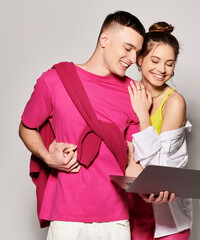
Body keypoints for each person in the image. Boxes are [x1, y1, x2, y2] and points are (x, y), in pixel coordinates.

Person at [19, 11, 146, 240]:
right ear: (104, 39)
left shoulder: (134, 93)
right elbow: (26, 127)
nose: (133, 58)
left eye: (137, 52)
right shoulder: (54, 80)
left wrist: (150, 188)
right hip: (67, 216)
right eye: (128, 48)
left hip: (116, 219)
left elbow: (132, 162)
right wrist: (46, 156)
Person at [126, 22, 192, 240]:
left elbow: (162, 170)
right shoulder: (125, 93)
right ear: (140, 59)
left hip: (166, 210)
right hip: (131, 205)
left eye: (169, 64)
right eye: (155, 61)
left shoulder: (174, 102)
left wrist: (143, 116)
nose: (162, 70)